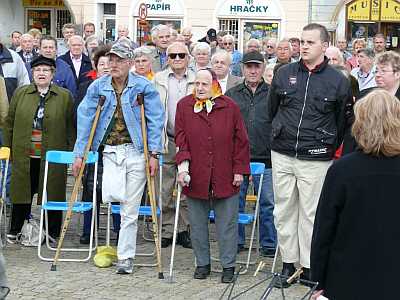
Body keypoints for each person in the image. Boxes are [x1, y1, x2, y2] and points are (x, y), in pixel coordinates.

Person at [267, 23, 351, 287]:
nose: (303, 47)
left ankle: (309, 267)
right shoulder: (284, 73)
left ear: (324, 46)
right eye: (301, 42)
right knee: (283, 211)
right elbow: (273, 110)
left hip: (316, 157)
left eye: (310, 42)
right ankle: (288, 264)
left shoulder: (338, 80)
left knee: (311, 213)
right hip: (283, 152)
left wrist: (324, 144)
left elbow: (342, 123)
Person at [72, 37, 164, 274]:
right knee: (112, 197)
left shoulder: (144, 87)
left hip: (136, 152)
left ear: (130, 62)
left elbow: (155, 121)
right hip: (109, 152)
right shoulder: (98, 86)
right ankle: (114, 247)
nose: (113, 64)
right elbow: (85, 120)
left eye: (119, 60)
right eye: (111, 60)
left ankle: (126, 257)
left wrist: (153, 153)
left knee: (130, 208)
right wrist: (79, 154)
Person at [310, 89, 400, 300]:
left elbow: (323, 232)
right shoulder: (341, 170)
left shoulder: (342, 170)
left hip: (346, 278)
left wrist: (318, 280)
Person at [175, 69, 250, 283]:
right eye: (196, 84)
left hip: (225, 173)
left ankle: (228, 266)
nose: (199, 88)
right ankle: (202, 263)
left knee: (227, 223)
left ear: (214, 85)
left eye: (204, 84)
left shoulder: (229, 106)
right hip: (196, 174)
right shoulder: (184, 106)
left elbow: (241, 141)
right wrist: (183, 168)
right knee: (197, 225)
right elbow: (181, 140)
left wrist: (239, 170)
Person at [4, 55, 75, 243]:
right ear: (32, 73)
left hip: (53, 154)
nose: (41, 74)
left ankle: (52, 232)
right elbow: (9, 123)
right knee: (21, 192)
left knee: (53, 192)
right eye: (37, 70)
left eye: (45, 70)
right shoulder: (21, 93)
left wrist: (70, 153)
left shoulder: (64, 96)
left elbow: (70, 127)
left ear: (53, 74)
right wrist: (8, 148)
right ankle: (15, 230)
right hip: (23, 154)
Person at [225, 51, 277, 257]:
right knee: (235, 202)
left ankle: (269, 244)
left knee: (267, 204)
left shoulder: (274, 93)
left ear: (263, 67)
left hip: (267, 158)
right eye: (249, 67)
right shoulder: (232, 94)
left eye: (257, 66)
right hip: (238, 159)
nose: (253, 70)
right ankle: (236, 241)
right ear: (242, 68)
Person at [153, 42, 195, 249]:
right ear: (167, 58)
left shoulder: (198, 80)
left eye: (181, 55)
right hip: (166, 139)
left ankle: (184, 229)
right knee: (164, 188)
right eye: (172, 56)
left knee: (187, 186)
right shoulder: (158, 80)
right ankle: (168, 229)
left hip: (190, 141)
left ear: (188, 57)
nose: (177, 59)